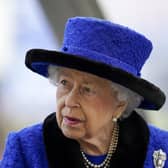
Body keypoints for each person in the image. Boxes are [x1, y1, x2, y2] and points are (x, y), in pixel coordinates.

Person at [0, 16, 167, 168]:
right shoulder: (25, 150)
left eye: (87, 89)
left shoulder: (161, 150)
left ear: (120, 104)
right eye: (65, 83)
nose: (70, 101)